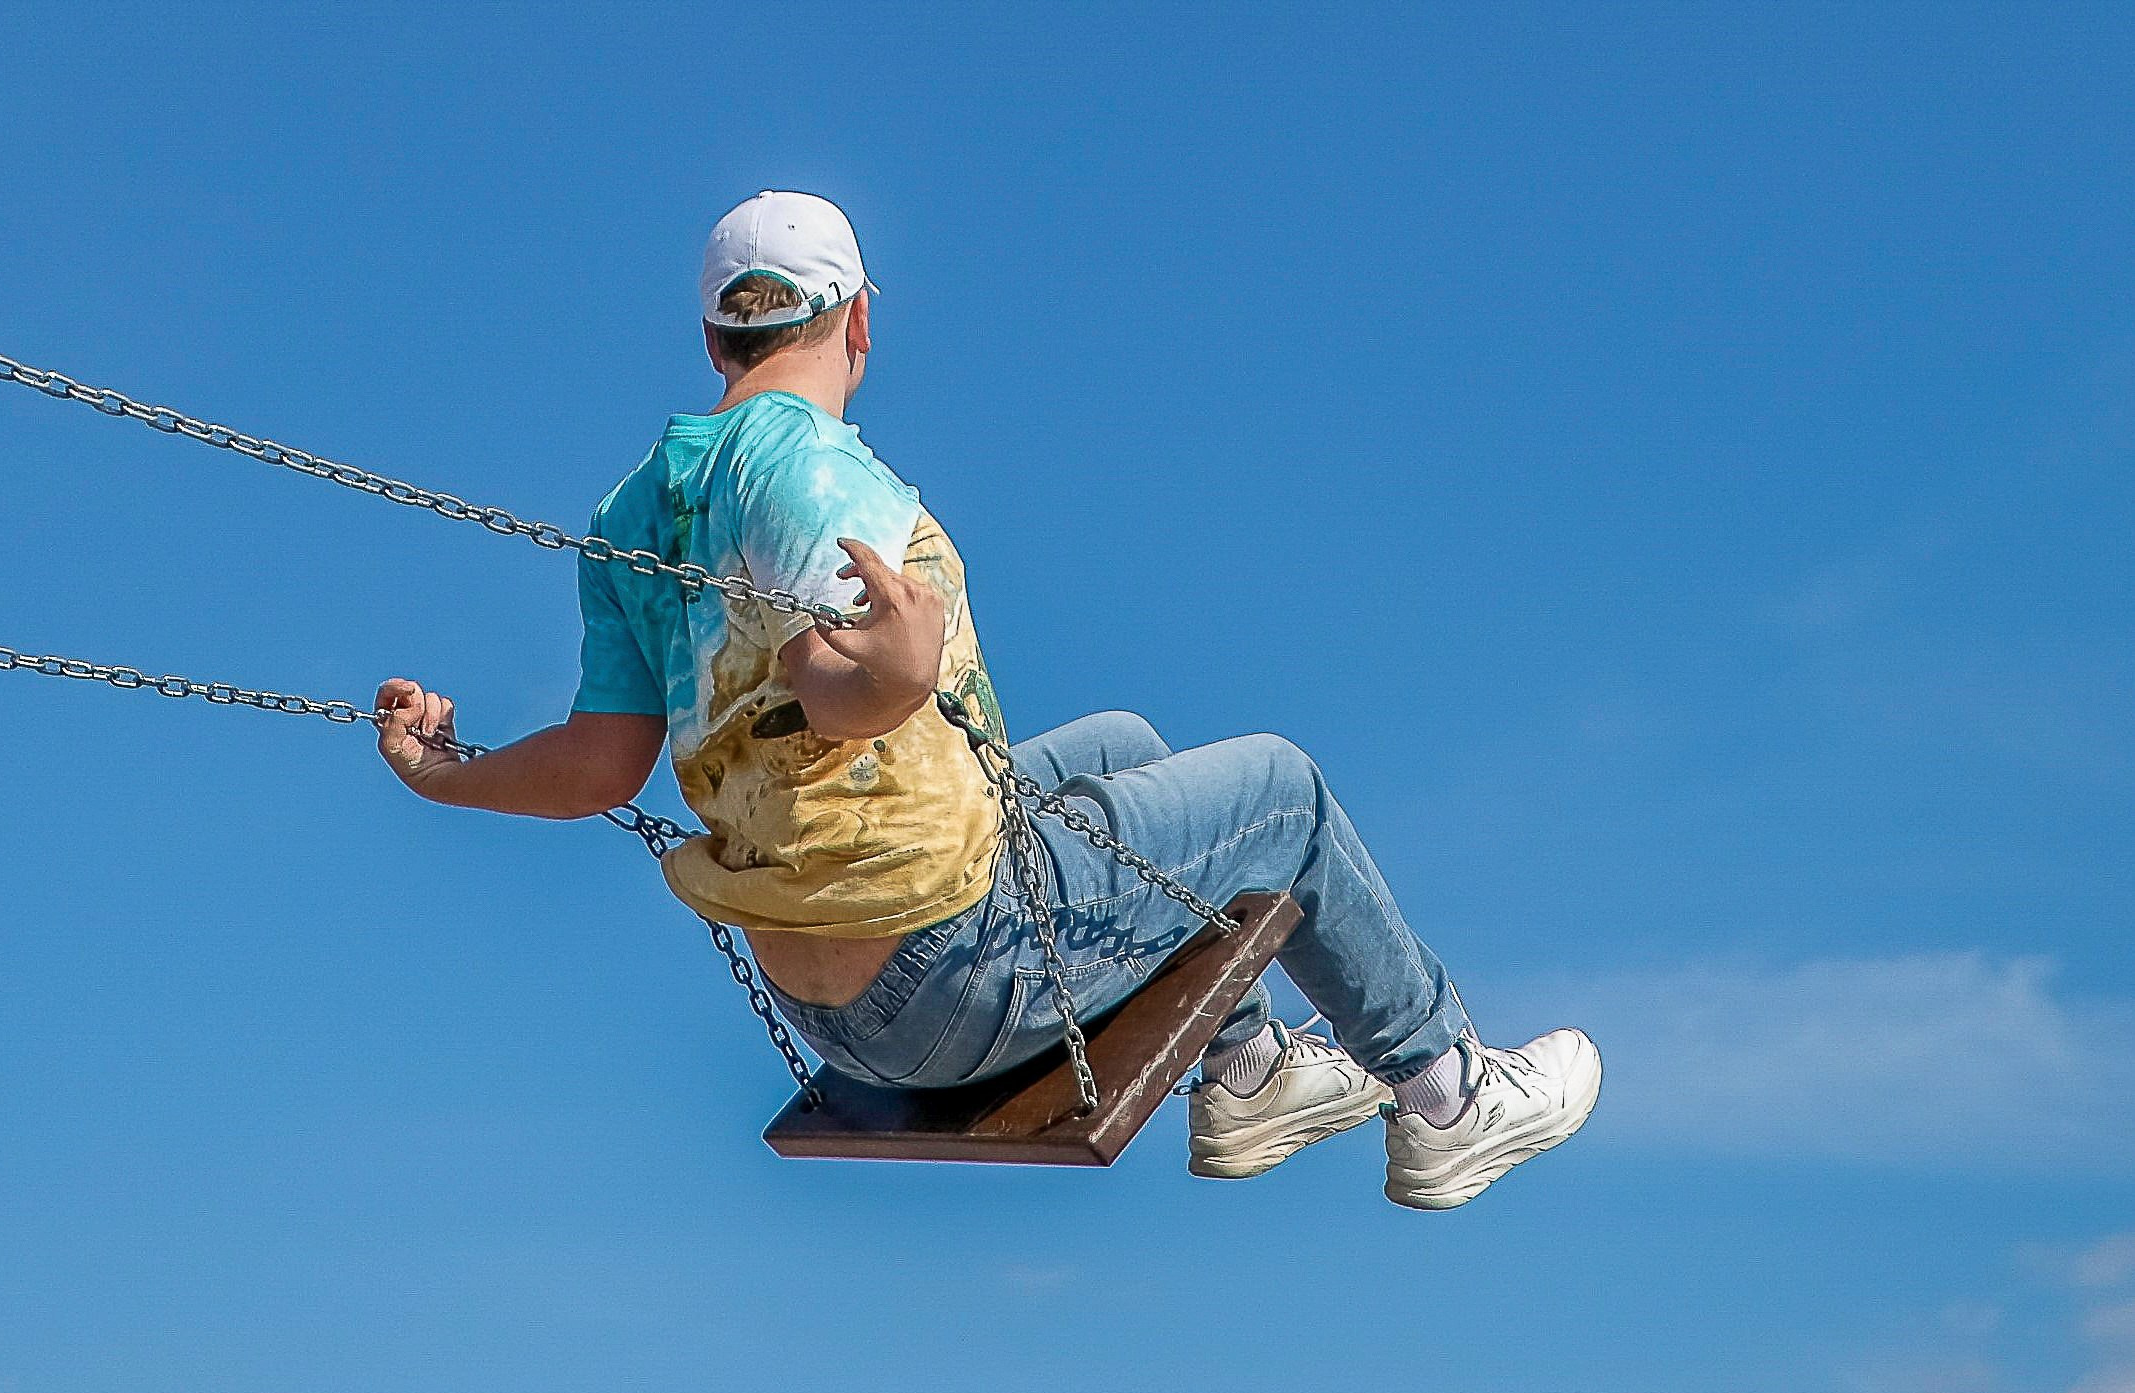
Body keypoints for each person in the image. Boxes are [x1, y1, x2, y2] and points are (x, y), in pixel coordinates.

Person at [376, 190, 1600, 1195]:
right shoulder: (808, 471)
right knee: (1284, 791)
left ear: (714, 340)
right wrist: (898, 671)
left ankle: (1243, 1081)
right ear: (859, 322)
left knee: (1124, 742)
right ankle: (1449, 1098)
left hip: (834, 1009)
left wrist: (443, 775)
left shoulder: (638, 507)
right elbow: (827, 689)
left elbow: (602, 766)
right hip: (954, 973)